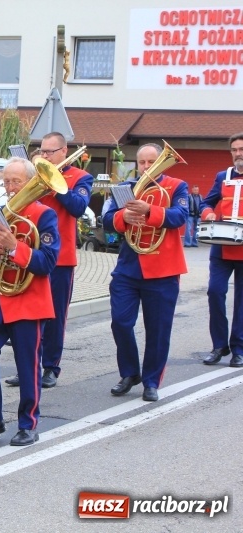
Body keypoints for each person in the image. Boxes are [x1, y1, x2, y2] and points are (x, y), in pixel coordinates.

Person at [0, 157, 60, 447]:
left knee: (27, 365)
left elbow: (48, 262)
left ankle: (28, 423)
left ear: (30, 182)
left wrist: (14, 246)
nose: (9, 187)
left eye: (16, 181)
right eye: (6, 181)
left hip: (28, 301)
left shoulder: (44, 215)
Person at [5, 133, 93, 389]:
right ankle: (27, 366)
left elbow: (78, 207)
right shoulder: (34, 174)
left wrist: (53, 182)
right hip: (29, 253)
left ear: (64, 151)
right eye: (42, 152)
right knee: (28, 317)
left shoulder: (80, 178)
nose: (44, 156)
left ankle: (51, 367)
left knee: (54, 316)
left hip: (60, 258)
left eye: (50, 152)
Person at [102, 143, 188, 402]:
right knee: (120, 322)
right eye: (143, 163)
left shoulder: (176, 186)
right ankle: (130, 373)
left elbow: (180, 215)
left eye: (153, 162)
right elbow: (106, 220)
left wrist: (149, 210)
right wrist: (124, 217)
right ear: (136, 164)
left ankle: (151, 380)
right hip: (129, 268)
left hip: (163, 270)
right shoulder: (124, 188)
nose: (147, 167)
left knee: (158, 329)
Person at [200, 133, 243, 367]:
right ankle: (219, 346)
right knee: (215, 292)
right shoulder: (222, 177)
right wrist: (209, 214)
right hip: (222, 247)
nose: (238, 153)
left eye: (242, 149)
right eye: (234, 149)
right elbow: (206, 202)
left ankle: (239, 348)